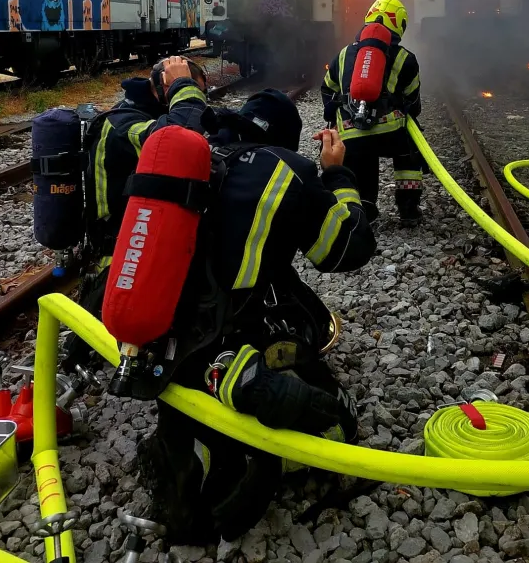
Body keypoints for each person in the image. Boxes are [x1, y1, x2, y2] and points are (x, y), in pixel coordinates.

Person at [137, 88, 377, 544]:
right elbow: (349, 248)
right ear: (288, 138)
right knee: (330, 417)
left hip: (164, 337)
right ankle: (246, 407)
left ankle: (197, 437)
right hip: (229, 340)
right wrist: (336, 174)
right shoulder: (289, 171)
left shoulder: (199, 155)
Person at [62, 55, 210, 371]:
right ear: (165, 92)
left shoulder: (140, 113)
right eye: (185, 91)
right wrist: (184, 89)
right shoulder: (122, 125)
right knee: (91, 342)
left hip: (137, 237)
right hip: (118, 256)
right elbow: (178, 138)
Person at [321, 0, 423, 225]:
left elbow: (327, 88)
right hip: (391, 134)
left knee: (359, 154)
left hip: (350, 133)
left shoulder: (344, 54)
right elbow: (413, 101)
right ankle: (408, 209)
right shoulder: (406, 58)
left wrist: (334, 116)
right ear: (399, 25)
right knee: (410, 147)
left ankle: (363, 207)